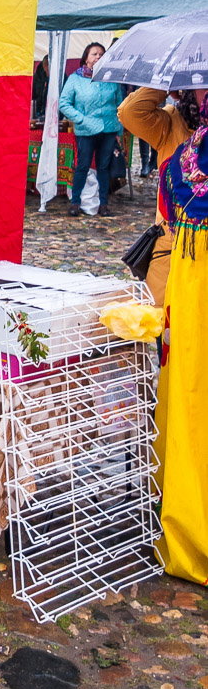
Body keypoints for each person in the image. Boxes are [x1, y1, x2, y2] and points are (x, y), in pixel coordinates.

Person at [131, 84, 208, 585]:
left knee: (191, 384)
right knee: (181, 379)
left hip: (194, 263)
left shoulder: (191, 144)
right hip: (182, 261)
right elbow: (132, 111)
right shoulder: (181, 127)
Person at [117, 88, 201, 309]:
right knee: (164, 328)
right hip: (171, 247)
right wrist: (165, 85)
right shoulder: (171, 122)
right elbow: (129, 112)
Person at [59, 42, 123, 218]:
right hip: (86, 130)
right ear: (86, 58)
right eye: (94, 54)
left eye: (101, 54)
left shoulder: (111, 78)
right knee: (83, 166)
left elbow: (120, 105)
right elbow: (64, 103)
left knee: (103, 167)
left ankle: (103, 204)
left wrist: (119, 131)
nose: (98, 57)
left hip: (109, 129)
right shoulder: (75, 79)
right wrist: (80, 119)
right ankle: (75, 203)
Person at [32, 54, 50, 121]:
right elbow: (33, 94)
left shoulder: (61, 77)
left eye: (47, 70)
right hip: (39, 114)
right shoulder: (39, 75)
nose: (46, 72)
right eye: (45, 69)